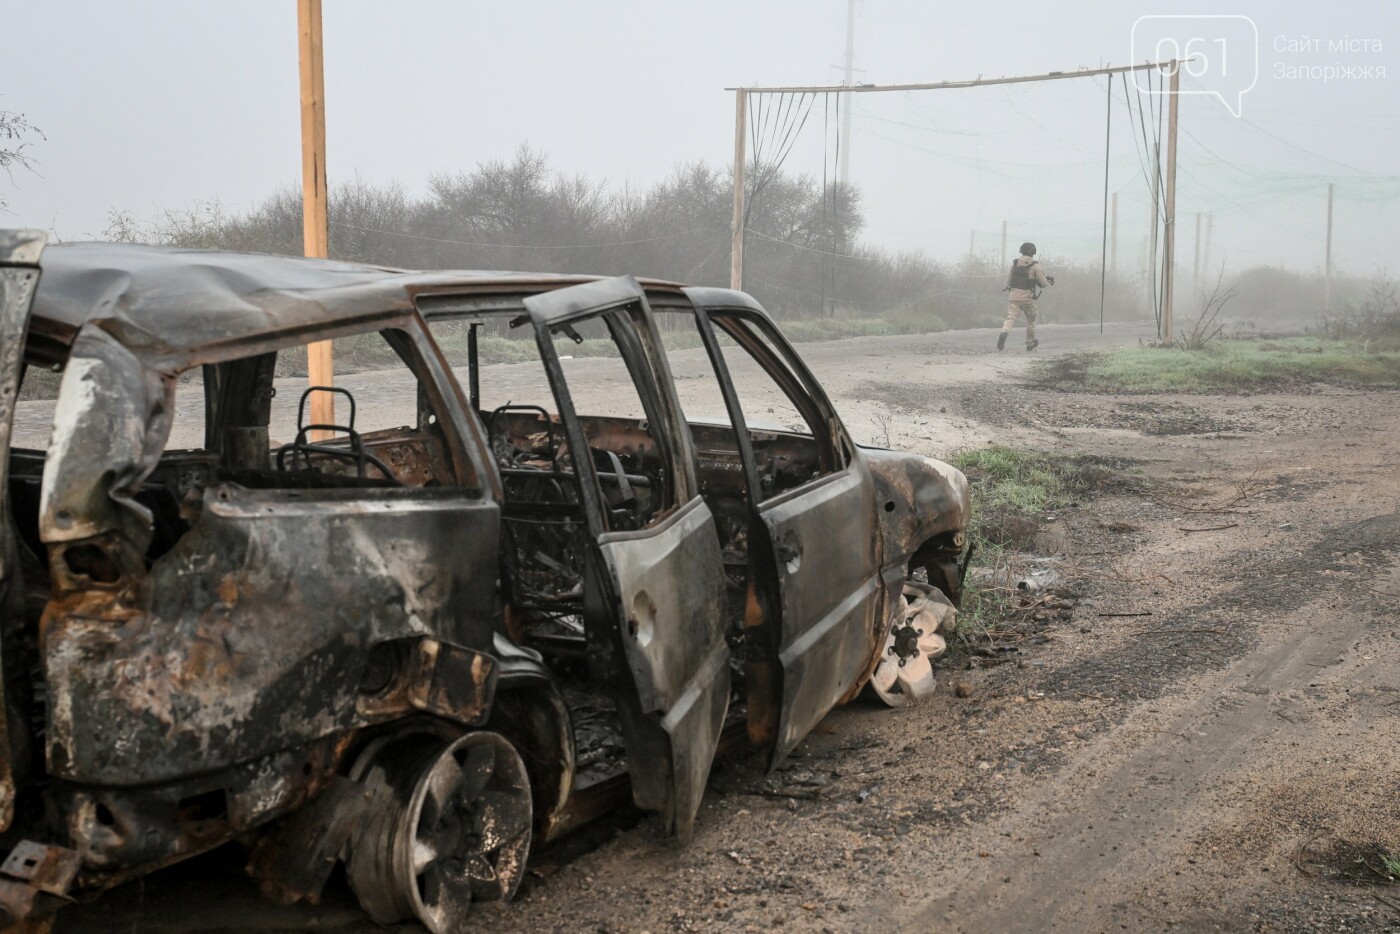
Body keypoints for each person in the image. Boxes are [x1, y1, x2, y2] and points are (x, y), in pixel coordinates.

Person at [998, 242, 1053, 351]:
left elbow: (1009, 282)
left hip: (1014, 297)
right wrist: (1048, 281)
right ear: (1033, 253)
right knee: (1030, 321)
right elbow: (1044, 284)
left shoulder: (1014, 265)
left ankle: (1004, 332)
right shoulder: (1035, 266)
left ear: (1021, 251)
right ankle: (1030, 342)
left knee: (1011, 318)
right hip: (1027, 299)